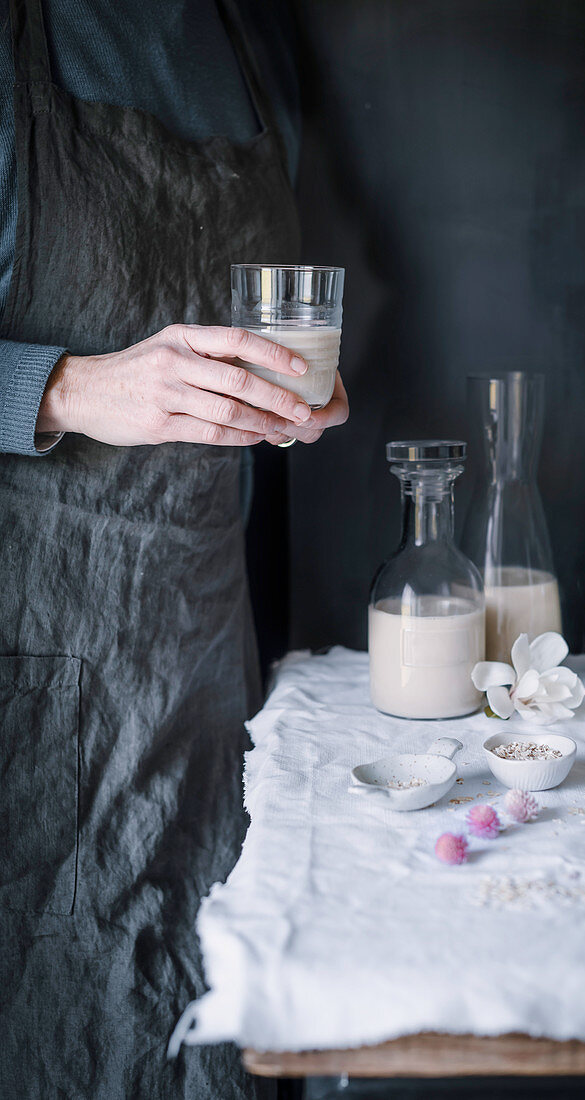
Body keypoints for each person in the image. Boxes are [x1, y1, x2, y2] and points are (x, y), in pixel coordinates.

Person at [0, 2, 348, 1097]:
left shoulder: (253, 39)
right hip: (34, 686)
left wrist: (296, 405)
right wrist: (72, 385)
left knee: (205, 1039)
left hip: (208, 667)